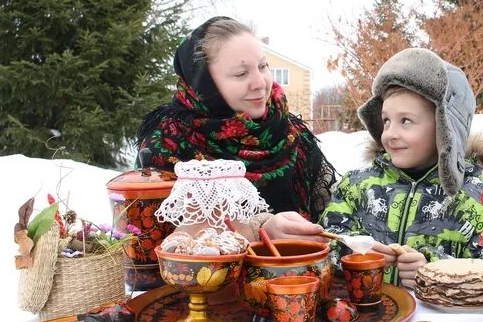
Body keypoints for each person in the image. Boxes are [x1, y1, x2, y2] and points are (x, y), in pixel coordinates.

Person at [320, 47, 483, 289]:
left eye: (406, 121)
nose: (390, 134)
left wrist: (433, 269)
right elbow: (325, 244)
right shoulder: (357, 187)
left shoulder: (480, 200)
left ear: (445, 130)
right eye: (386, 120)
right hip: (370, 319)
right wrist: (357, 254)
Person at [136, 16, 335, 241]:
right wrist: (259, 233)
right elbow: (153, 243)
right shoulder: (167, 145)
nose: (260, 82)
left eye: (262, 66)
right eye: (241, 74)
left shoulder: (292, 135)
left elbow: (332, 219)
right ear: (203, 84)